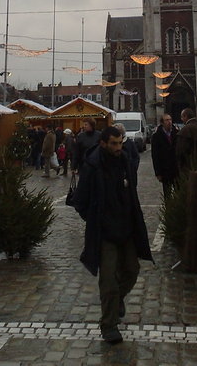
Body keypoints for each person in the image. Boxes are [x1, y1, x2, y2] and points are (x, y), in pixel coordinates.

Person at [73, 126, 153, 345]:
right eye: (114, 144)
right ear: (103, 144)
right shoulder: (92, 166)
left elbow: (131, 190)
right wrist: (95, 218)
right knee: (108, 281)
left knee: (132, 270)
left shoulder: (125, 160)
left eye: (120, 143)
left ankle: (117, 300)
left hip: (126, 226)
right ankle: (108, 325)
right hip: (105, 231)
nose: (119, 147)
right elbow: (80, 200)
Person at [151, 114, 179, 197]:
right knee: (167, 194)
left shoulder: (177, 133)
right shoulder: (156, 136)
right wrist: (158, 173)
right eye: (167, 120)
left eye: (170, 119)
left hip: (176, 169)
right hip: (165, 170)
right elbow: (155, 155)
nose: (169, 122)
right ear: (162, 123)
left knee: (179, 192)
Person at [175, 107, 197, 173]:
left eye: (182, 117)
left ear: (185, 116)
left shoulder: (185, 130)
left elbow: (180, 151)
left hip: (189, 168)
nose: (181, 119)